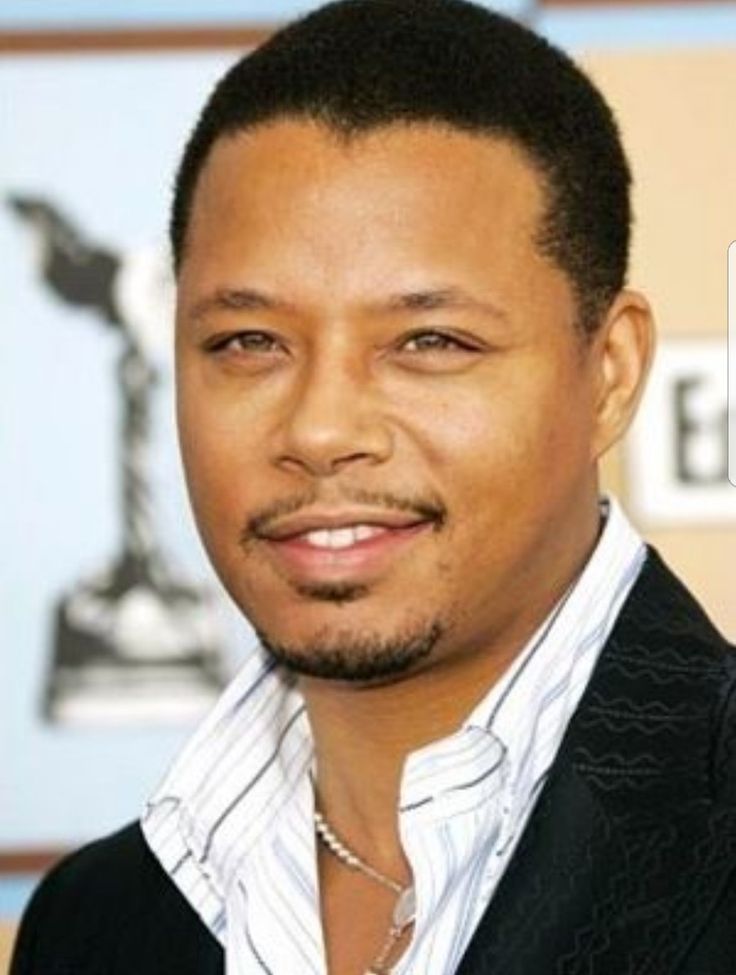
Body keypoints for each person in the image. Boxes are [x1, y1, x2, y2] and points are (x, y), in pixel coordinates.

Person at [11, 1, 736, 973]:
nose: (319, 430)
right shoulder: (93, 926)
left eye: (429, 343)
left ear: (607, 371)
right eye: (247, 343)